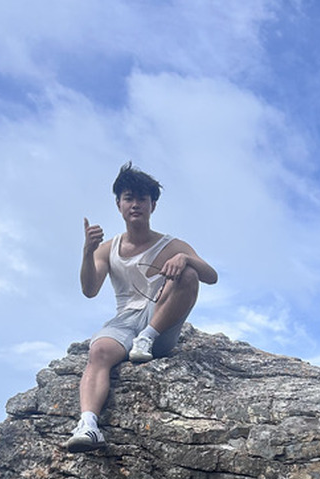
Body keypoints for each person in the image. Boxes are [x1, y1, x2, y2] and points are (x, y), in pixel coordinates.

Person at [65, 162, 218, 452]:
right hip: (124, 321)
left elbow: (211, 276)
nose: (135, 204)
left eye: (142, 199)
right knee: (98, 352)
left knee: (188, 274)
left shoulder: (172, 245)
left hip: (158, 320)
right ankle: (88, 425)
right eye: (128, 198)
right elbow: (89, 289)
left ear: (153, 205)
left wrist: (186, 259)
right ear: (119, 205)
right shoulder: (108, 248)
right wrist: (87, 252)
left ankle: (146, 338)